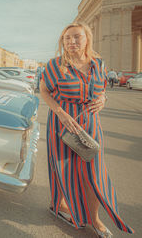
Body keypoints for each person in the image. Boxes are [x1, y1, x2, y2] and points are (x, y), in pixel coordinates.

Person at [40, 22, 133, 237]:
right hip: (62, 124)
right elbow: (44, 91)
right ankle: (61, 206)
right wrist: (61, 113)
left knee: (93, 173)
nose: (71, 42)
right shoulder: (55, 65)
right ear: (62, 42)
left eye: (76, 37)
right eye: (67, 38)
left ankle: (95, 219)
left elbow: (101, 91)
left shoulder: (98, 64)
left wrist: (104, 99)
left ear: (87, 39)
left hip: (90, 125)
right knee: (64, 170)